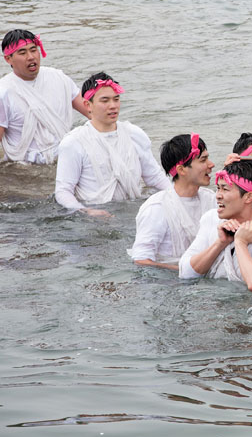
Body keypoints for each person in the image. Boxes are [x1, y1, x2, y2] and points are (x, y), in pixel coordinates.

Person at [55, 73, 170, 216]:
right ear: (87, 105)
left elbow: (155, 177)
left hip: (132, 210)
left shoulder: (134, 134)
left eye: (116, 99)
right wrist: (86, 211)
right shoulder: (73, 143)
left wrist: (179, 197)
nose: (113, 106)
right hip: (92, 216)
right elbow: (63, 191)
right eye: (105, 101)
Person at [178, 161, 252, 293]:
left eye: (225, 189)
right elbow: (185, 274)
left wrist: (240, 242)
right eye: (218, 188)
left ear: (248, 197)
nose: (217, 195)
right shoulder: (211, 219)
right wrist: (220, 243)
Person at [0, 29, 90, 163]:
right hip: (25, 167)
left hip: (63, 156)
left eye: (33, 50)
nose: (31, 57)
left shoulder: (59, 78)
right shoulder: (4, 92)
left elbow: (92, 112)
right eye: (22, 52)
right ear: (8, 59)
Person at [129, 133, 216, 270]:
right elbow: (141, 261)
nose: (211, 165)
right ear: (181, 169)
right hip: (170, 282)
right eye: (203, 160)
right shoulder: (157, 208)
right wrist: (187, 271)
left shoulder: (212, 199)